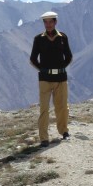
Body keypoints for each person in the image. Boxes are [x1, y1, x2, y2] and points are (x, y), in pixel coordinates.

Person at [30, 11, 73, 147]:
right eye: (45, 22)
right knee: (44, 108)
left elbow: (69, 56)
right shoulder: (38, 39)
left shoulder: (62, 37)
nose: (48, 24)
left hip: (61, 78)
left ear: (55, 22)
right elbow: (33, 59)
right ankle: (44, 138)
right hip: (45, 79)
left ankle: (64, 131)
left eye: (50, 22)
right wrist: (43, 69)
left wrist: (60, 68)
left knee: (62, 107)